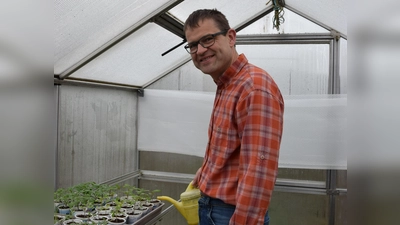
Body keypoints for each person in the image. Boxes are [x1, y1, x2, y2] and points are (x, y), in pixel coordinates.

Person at [183, 9, 285, 225]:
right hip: (214, 209)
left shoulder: (253, 87)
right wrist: (206, 172)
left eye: (208, 39)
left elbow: (258, 172)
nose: (200, 50)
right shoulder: (228, 83)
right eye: (193, 45)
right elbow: (232, 149)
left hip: (230, 213)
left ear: (230, 37)